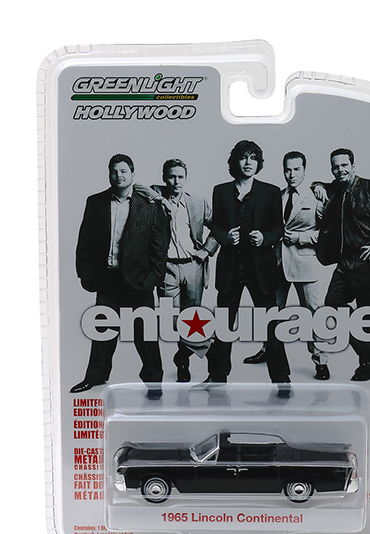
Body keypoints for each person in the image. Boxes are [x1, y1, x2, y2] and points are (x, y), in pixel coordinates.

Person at [70, 154, 169, 393]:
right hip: (107, 279)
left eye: (123, 171)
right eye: (114, 171)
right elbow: (85, 242)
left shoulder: (149, 205)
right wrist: (86, 275)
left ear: (133, 174)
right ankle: (95, 376)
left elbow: (160, 246)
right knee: (102, 332)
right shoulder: (96, 202)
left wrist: (153, 278)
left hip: (139, 281)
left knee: (146, 335)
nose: (118, 176)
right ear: (109, 174)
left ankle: (154, 382)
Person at [205, 140, 290, 383]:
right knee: (224, 324)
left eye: (253, 158)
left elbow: (278, 228)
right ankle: (217, 376)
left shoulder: (271, 192)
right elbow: (216, 225)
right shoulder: (221, 191)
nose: (248, 162)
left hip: (261, 268)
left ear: (258, 163)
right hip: (230, 268)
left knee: (271, 324)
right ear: (235, 162)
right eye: (243, 157)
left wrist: (264, 238)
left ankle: (281, 378)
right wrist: (224, 237)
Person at [314, 148, 370, 381]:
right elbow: (320, 185)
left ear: (353, 166)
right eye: (335, 167)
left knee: (367, 314)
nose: (340, 170)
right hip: (345, 261)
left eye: (344, 165)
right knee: (332, 304)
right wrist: (317, 186)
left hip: (367, 261)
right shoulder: (336, 188)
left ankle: (366, 365)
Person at [242, 151, 330, 379]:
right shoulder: (277, 196)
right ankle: (268, 350)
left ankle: (320, 360)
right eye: (287, 170)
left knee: (313, 312)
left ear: (304, 170)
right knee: (272, 310)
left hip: (304, 263)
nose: (292, 174)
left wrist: (301, 238)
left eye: (296, 169)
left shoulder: (316, 197)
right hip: (278, 262)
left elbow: (328, 234)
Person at [149, 159, 218, 382]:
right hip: (167, 267)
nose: (176, 181)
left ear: (186, 178)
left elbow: (218, 227)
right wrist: (162, 198)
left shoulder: (197, 202)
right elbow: (139, 188)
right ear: (164, 178)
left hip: (193, 266)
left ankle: (182, 361)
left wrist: (206, 250)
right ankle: (210, 348)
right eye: (171, 176)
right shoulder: (155, 199)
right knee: (171, 319)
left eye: (180, 177)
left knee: (191, 318)